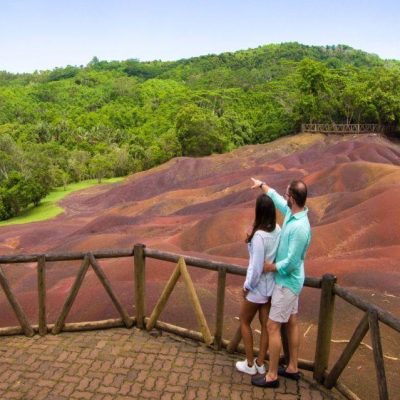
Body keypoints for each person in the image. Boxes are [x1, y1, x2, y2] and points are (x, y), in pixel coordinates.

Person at [250, 178, 311, 388]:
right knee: (292, 322)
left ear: (292, 198)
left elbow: (292, 262)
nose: (284, 197)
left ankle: (272, 375)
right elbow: (275, 198)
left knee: (272, 326)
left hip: (287, 282)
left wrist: (271, 267)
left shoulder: (300, 227)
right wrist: (262, 185)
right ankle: (293, 367)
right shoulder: (292, 215)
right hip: (291, 281)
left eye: (287, 195)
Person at [235, 194, 281, 375]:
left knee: (244, 321)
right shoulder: (277, 229)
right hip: (271, 287)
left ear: (259, 211)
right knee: (265, 326)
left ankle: (249, 363)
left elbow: (256, 267)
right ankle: (261, 364)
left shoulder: (259, 236)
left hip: (258, 288)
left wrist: (247, 286)